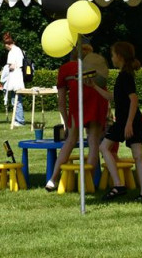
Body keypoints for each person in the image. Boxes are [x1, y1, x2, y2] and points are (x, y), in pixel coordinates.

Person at [45, 44, 109, 192]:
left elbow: (61, 103)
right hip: (98, 101)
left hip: (78, 104)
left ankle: (53, 179)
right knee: (93, 141)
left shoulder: (65, 68)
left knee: (70, 140)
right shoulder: (96, 66)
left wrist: (67, 124)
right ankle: (89, 181)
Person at [96, 41, 142, 201]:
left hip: (127, 121)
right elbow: (114, 97)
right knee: (138, 155)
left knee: (104, 147)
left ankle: (119, 185)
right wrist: (94, 87)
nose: (111, 58)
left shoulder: (125, 76)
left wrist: (128, 124)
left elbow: (134, 100)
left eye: (112, 55)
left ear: (119, 56)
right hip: (129, 120)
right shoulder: (124, 75)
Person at [2, 32, 26, 125]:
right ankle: (17, 119)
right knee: (16, 98)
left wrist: (6, 69)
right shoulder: (18, 50)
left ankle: (20, 120)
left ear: (7, 44)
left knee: (16, 99)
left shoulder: (12, 52)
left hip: (14, 76)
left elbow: (11, 66)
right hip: (18, 75)